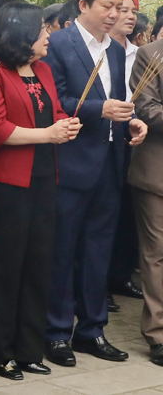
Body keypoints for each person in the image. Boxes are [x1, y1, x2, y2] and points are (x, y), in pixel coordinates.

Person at [0, 2, 80, 380]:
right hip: (5, 183)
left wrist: (64, 125)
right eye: (42, 29)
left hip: (45, 177)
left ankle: (30, 349)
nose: (48, 35)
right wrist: (48, 135)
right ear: (22, 34)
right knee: (4, 268)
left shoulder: (43, 69)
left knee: (38, 264)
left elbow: (54, 112)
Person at [43, 0, 147, 367]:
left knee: (97, 249)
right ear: (83, 5)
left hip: (108, 161)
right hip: (70, 161)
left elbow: (118, 101)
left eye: (119, 7)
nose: (114, 14)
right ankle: (54, 332)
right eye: (107, 6)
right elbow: (58, 100)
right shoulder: (58, 44)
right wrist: (98, 110)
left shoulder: (117, 49)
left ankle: (92, 329)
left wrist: (129, 121)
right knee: (62, 249)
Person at [128, 33, 163, 366]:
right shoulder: (151, 55)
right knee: (157, 255)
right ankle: (158, 335)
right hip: (158, 173)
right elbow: (149, 109)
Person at [108, 0, 145, 304]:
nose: (129, 16)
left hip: (135, 138)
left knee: (126, 215)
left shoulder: (141, 53)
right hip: (105, 140)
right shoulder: (98, 51)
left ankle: (120, 275)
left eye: (133, 11)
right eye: (122, 10)